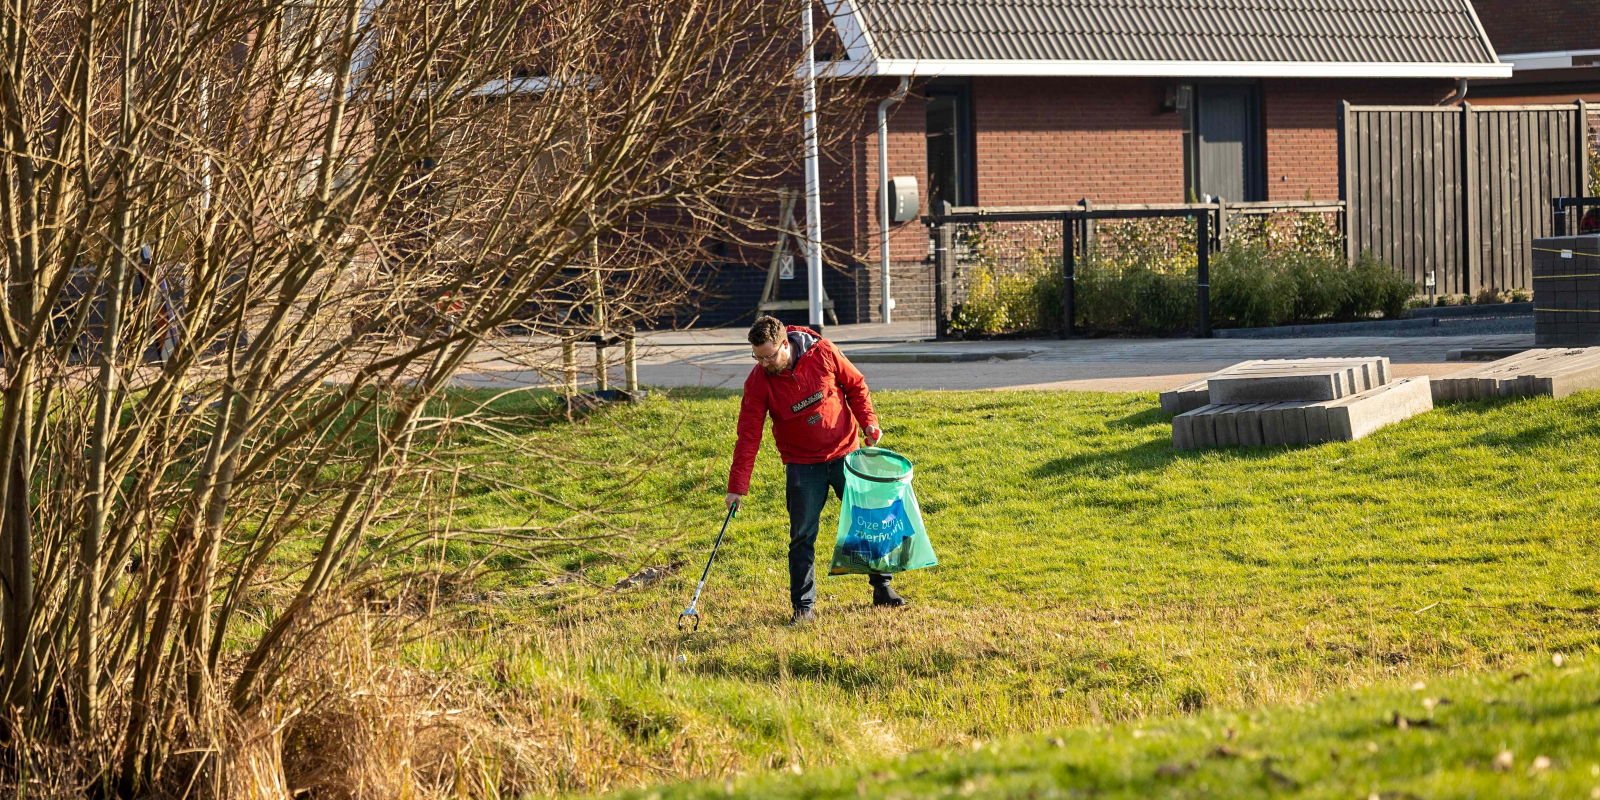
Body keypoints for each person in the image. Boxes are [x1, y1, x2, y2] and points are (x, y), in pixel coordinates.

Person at [726, 316, 906, 624]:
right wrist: (737, 487)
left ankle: (882, 587)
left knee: (868, 521)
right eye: (758, 357)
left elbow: (856, 386)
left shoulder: (823, 352)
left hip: (845, 453)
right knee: (802, 537)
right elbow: (748, 436)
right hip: (802, 465)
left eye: (769, 356)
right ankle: (803, 608)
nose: (764, 363)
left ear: (785, 344)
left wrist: (869, 423)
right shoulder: (758, 382)